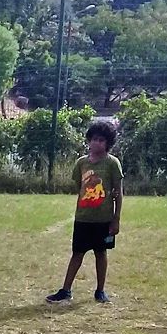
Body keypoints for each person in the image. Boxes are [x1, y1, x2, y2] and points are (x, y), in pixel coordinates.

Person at [46, 118, 124, 304]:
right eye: (94, 139)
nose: (97, 143)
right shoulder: (81, 163)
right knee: (77, 253)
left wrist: (116, 219)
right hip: (83, 218)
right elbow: (78, 186)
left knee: (101, 253)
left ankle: (100, 290)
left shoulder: (112, 163)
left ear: (108, 143)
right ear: (88, 140)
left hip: (103, 220)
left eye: (102, 140)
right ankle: (65, 290)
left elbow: (118, 193)